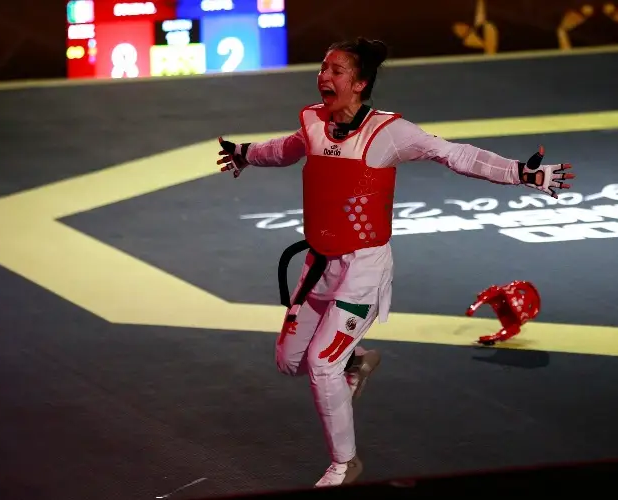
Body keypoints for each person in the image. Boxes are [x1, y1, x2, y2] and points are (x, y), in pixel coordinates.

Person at [216, 37, 575, 488]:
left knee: (321, 365)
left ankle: (345, 465)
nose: (324, 77)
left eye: (336, 71)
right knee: (290, 361)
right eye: (323, 68)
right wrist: (246, 153)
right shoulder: (312, 121)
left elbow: (455, 154)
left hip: (363, 270)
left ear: (360, 83)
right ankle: (356, 362)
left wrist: (520, 173)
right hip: (319, 264)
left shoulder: (388, 133)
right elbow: (287, 149)